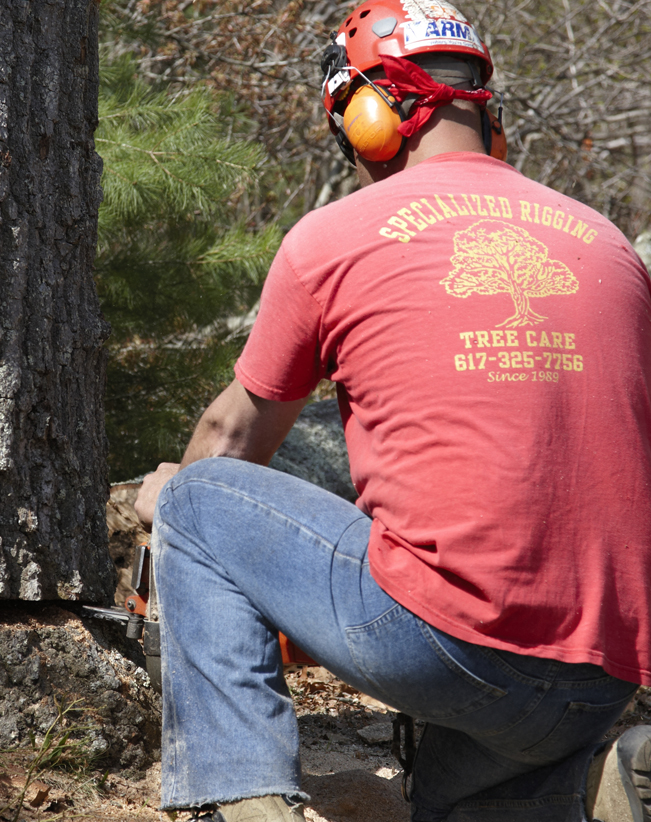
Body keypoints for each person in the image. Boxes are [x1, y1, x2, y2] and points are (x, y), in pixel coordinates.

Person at [134, 2, 651, 820]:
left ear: (371, 114)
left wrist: (172, 558)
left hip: (445, 645)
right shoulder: (609, 244)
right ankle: (610, 784)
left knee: (197, 499)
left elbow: (230, 440)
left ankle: (239, 798)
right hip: (602, 670)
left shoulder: (333, 236)